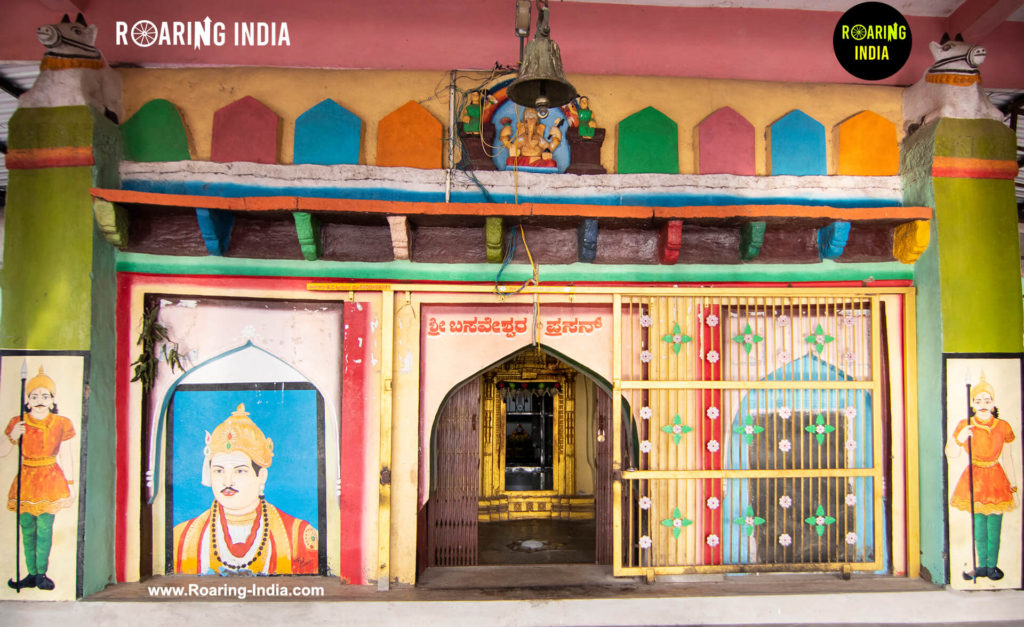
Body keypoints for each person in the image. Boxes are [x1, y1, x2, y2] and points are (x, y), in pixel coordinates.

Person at [173, 403, 318, 575]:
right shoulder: (182, 537)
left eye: (240, 471)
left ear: (262, 476)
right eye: (219, 471)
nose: (228, 481)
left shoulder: (298, 536)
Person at [2, 367, 76, 591]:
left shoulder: (61, 423)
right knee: (27, 529)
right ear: (28, 400)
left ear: (52, 400)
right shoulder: (19, 422)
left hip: (50, 481)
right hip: (26, 479)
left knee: (45, 529)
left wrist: (71, 485)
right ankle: (31, 574)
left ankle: (41, 573)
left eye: (45, 396)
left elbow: (66, 454)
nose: (40, 400)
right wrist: (13, 435)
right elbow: (3, 452)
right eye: (34, 396)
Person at [947, 373, 1018, 581]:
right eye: (978, 401)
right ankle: (980, 565)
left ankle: (991, 566)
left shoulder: (1002, 426)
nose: (983, 404)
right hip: (975, 478)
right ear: (972, 403)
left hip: (996, 478)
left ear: (994, 403)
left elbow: (1009, 458)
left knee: (994, 526)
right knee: (979, 524)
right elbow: (950, 453)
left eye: (987, 401)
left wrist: (1014, 487)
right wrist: (960, 439)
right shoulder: (965, 424)